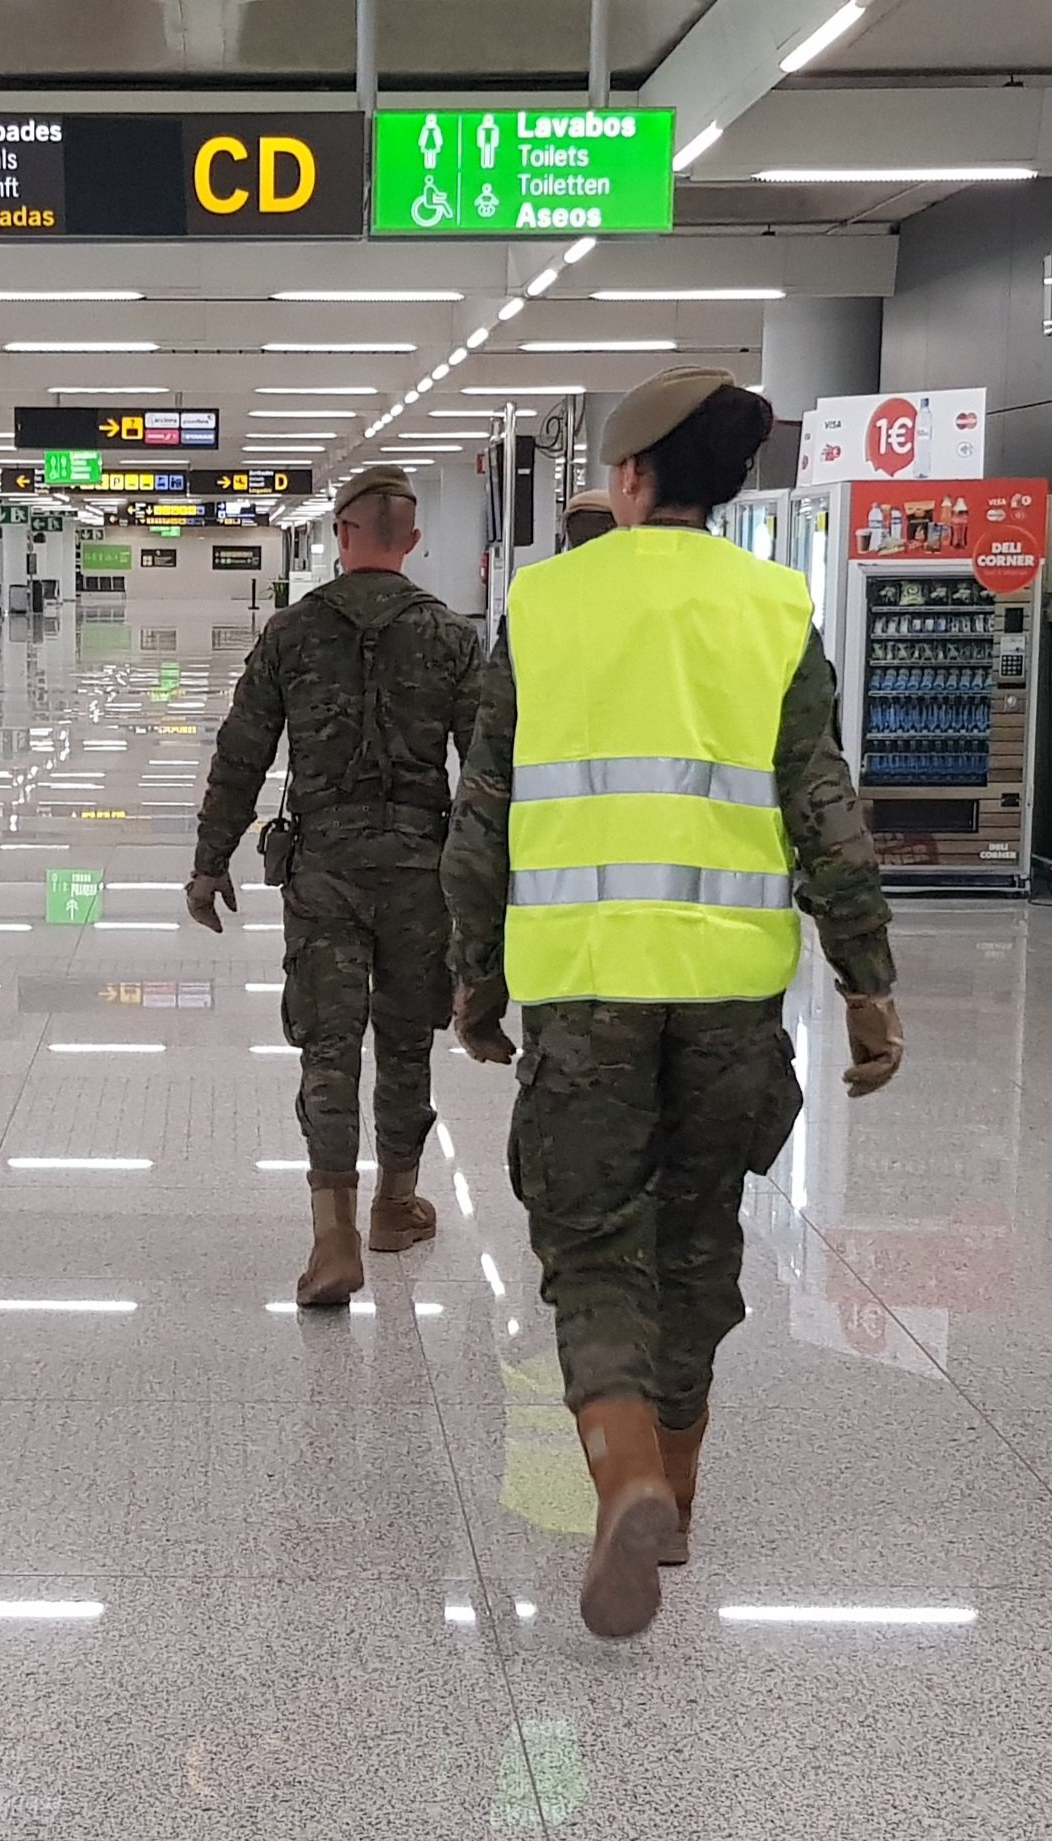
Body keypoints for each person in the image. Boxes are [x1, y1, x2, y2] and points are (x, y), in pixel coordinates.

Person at [442, 366, 902, 1641]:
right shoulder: (774, 605)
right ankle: (678, 1497)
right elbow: (824, 804)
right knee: (697, 1242)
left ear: (631, 475)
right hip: (728, 992)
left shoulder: (542, 602)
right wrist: (867, 981)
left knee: (593, 1247)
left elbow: (485, 811)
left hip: (582, 981)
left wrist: (474, 976)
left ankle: (624, 1466)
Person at [188, 464, 484, 1307]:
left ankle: (332, 1238)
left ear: (342, 535)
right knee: (404, 1042)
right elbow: (489, 773)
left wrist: (210, 863)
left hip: (323, 870)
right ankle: (396, 1204)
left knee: (327, 1045)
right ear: (413, 541)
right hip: (421, 871)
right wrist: (486, 883)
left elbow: (242, 753)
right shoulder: (453, 638)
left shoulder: (292, 632)